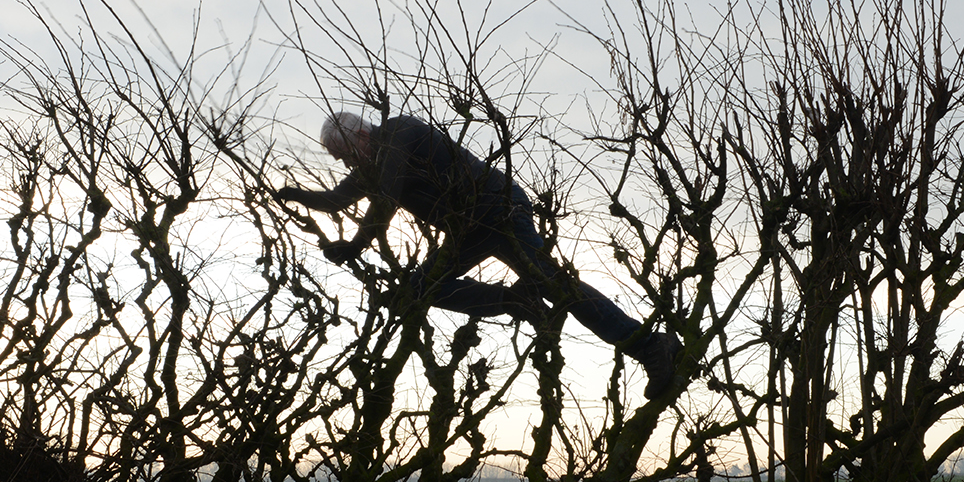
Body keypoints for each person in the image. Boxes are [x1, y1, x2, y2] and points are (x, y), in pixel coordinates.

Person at [274, 111, 682, 398]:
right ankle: (512, 299)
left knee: (555, 284)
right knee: (421, 288)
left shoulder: (399, 134)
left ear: (362, 136)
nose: (346, 163)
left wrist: (357, 244)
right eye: (340, 160)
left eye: (346, 154)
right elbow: (335, 199)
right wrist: (291, 195)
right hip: (467, 230)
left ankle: (650, 346)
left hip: (498, 211)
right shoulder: (371, 166)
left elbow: (389, 197)